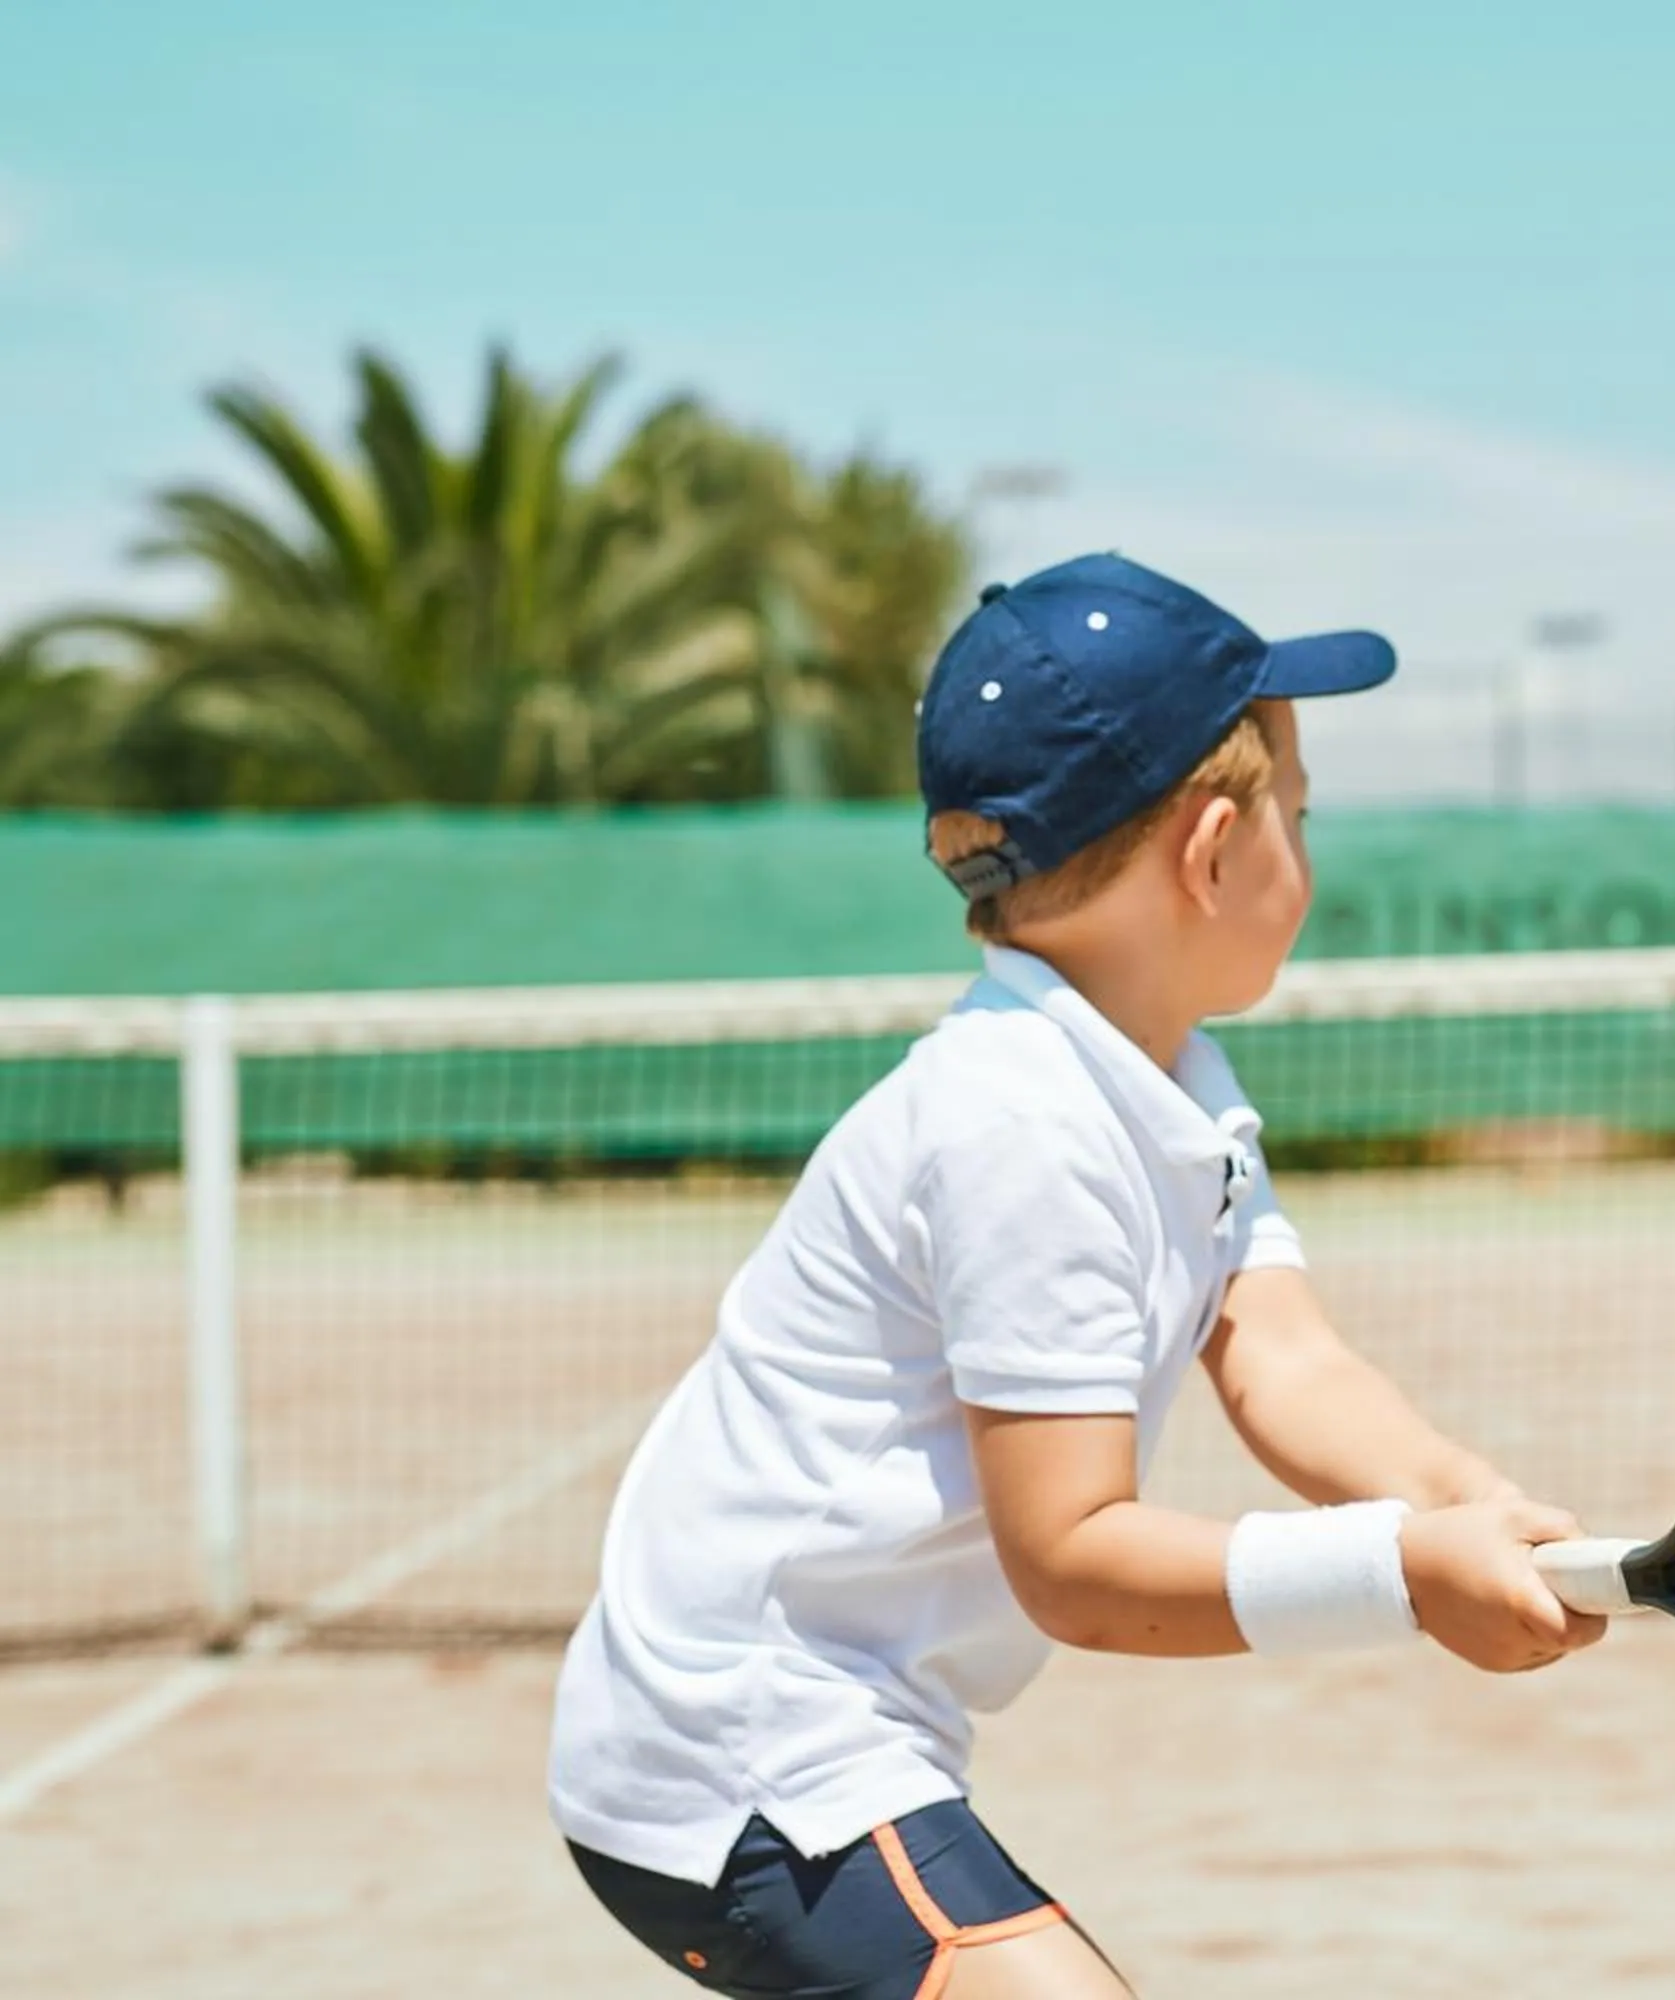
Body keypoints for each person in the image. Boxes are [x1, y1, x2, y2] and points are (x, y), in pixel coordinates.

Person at [548, 554, 1605, 2000]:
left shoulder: (1168, 1076)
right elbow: (1077, 1563)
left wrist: (1458, 1500)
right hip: (743, 1757)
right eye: (1302, 812)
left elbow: (1283, 1357)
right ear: (1216, 850)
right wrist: (1403, 1575)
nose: (1308, 840)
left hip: (814, 1733)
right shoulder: (1018, 1125)